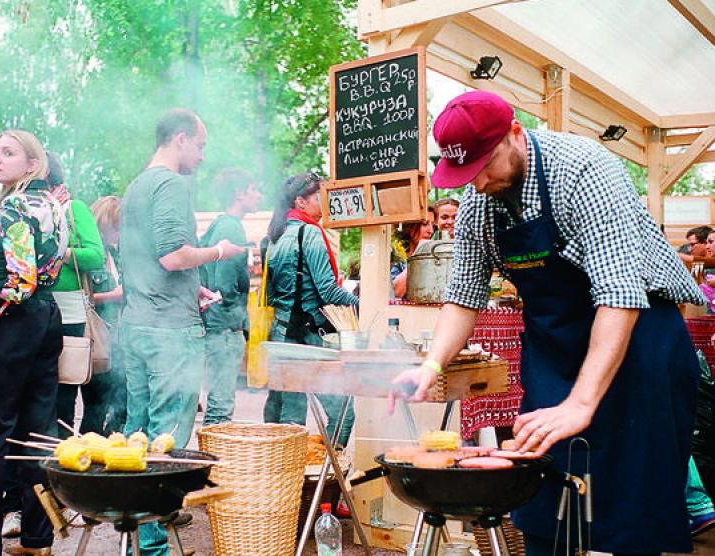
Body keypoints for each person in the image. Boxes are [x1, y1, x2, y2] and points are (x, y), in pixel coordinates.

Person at [393, 90, 703, 554]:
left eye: (483, 168)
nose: (475, 185)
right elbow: (462, 299)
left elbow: (619, 295)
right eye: (465, 175)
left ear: (515, 133)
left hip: (638, 340)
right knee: (543, 501)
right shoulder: (480, 202)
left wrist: (580, 404)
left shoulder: (583, 169)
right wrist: (431, 366)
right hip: (556, 350)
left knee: (635, 509)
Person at [119, 108, 244, 556]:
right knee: (164, 444)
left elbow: (149, 263)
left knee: (136, 438)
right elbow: (173, 256)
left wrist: (193, 291)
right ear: (179, 138)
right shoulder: (170, 183)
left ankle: (135, 538)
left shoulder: (137, 185)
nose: (203, 155)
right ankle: (153, 549)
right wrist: (219, 250)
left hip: (138, 325)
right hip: (169, 334)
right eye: (201, 145)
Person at [0, 130, 66, 556]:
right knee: (38, 433)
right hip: (47, 318)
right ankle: (37, 540)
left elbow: (20, 282)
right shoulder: (52, 204)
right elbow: (40, 264)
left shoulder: (14, 206)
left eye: (8, 152)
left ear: (32, 164)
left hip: (16, 322)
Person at [263, 172, 359, 447]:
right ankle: (324, 475)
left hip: (279, 336)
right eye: (320, 198)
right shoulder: (311, 234)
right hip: (308, 338)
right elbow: (328, 291)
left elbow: (272, 294)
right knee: (343, 413)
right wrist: (364, 305)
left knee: (284, 419)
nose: (325, 203)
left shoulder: (274, 236)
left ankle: (283, 477)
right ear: (300, 202)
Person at [48, 152, 106, 437]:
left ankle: (62, 461)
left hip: (68, 313)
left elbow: (97, 255)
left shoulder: (73, 209)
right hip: (31, 311)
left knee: (63, 395)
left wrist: (63, 252)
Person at [199, 168, 261, 425]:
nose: (258, 195)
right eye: (254, 189)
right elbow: (222, 284)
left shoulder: (219, 223)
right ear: (239, 194)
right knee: (221, 406)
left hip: (216, 325)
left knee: (217, 402)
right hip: (224, 328)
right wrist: (236, 317)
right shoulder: (231, 227)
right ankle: (214, 462)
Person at [88, 195, 126, 434]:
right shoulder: (92, 256)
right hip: (96, 339)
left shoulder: (114, 254)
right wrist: (115, 295)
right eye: (117, 226)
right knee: (95, 408)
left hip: (116, 338)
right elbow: (85, 298)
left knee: (114, 402)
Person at [391, 206, 435, 298]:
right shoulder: (396, 256)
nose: (431, 231)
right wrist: (419, 255)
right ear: (410, 226)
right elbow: (395, 293)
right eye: (424, 224)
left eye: (433, 225)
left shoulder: (434, 257)